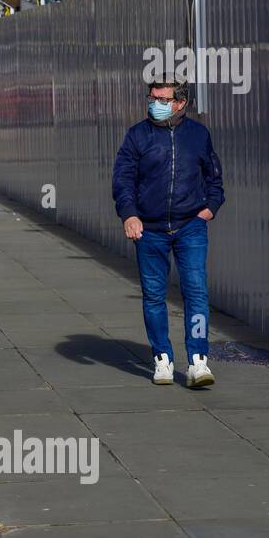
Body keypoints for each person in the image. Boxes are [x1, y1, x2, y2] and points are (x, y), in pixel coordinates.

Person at [113, 76, 224, 389]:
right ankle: (162, 357)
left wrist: (210, 208)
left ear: (180, 103)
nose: (155, 105)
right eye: (152, 98)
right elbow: (123, 180)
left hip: (191, 226)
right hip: (150, 230)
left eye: (163, 99)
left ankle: (198, 360)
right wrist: (130, 215)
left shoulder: (198, 135)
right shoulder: (137, 136)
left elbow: (214, 178)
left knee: (196, 292)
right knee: (153, 296)